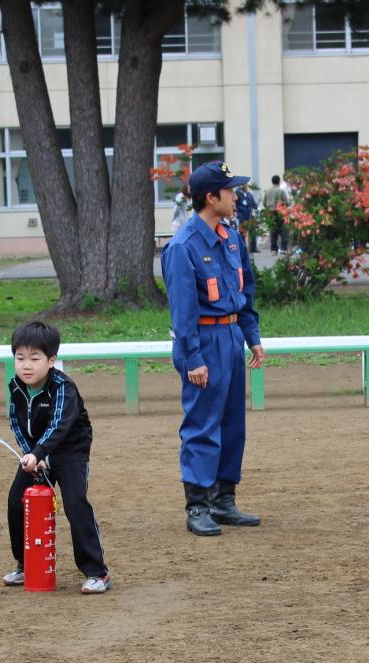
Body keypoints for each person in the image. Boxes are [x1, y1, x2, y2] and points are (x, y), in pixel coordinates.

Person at [162, 160, 265, 536]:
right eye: (230, 191)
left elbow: (244, 290)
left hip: (231, 337)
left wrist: (251, 335)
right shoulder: (184, 247)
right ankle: (197, 505)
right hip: (202, 341)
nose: (236, 196)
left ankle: (223, 500)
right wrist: (193, 358)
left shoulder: (231, 237)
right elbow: (183, 310)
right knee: (202, 424)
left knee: (231, 423)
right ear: (211, 197)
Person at [3, 321, 111, 594]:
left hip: (69, 452)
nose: (26, 365)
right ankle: (25, 564)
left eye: (35, 359)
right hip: (37, 452)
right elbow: (16, 422)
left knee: (75, 503)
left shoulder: (63, 387)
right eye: (20, 358)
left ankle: (96, 572)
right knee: (17, 502)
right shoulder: (15, 386)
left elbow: (59, 425)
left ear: (51, 360)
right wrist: (30, 454)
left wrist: (40, 453)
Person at [262, 174, 291, 254]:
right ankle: (284, 248)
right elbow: (286, 202)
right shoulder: (281, 191)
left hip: (270, 213)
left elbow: (264, 203)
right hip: (280, 212)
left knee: (273, 231)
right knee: (283, 230)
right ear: (279, 181)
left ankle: (273, 249)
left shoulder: (267, 191)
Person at [235, 182, 258, 253]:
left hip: (250, 216)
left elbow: (254, 205)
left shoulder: (249, 194)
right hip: (242, 216)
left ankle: (253, 248)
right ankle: (243, 248)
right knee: (242, 233)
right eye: (245, 185)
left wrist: (255, 207)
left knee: (252, 232)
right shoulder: (237, 193)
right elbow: (235, 204)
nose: (246, 186)